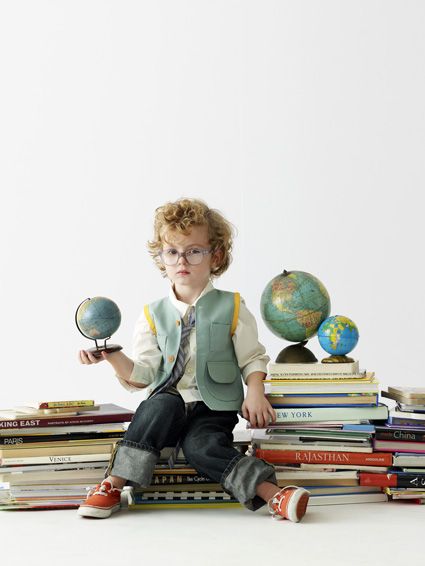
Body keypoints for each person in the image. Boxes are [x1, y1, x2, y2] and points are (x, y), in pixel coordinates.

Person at [78, 198, 309, 522]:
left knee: (202, 447)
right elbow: (143, 376)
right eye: (172, 251)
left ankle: (274, 495)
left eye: (194, 250)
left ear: (215, 255)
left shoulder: (232, 307)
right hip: (166, 407)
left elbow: (252, 357)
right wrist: (112, 357)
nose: (182, 259)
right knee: (158, 405)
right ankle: (112, 484)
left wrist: (255, 391)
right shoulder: (152, 315)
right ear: (161, 257)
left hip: (213, 406)